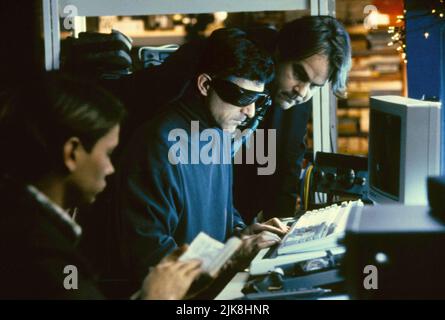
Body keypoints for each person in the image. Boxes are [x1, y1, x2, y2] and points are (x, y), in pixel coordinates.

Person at [108, 28, 288, 290]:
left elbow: (220, 213)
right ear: (205, 84)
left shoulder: (218, 133)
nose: (249, 112)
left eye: (257, 100)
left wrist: (242, 233)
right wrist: (230, 257)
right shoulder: (159, 144)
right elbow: (150, 256)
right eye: (243, 97)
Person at [0, 72, 202, 299]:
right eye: (108, 153)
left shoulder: (35, 229)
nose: (110, 169)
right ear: (72, 153)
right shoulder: (40, 253)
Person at [233, 15, 352, 221]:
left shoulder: (296, 99)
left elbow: (288, 167)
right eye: (299, 73)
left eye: (315, 86)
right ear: (280, 52)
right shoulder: (239, 68)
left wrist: (280, 230)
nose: (302, 92)